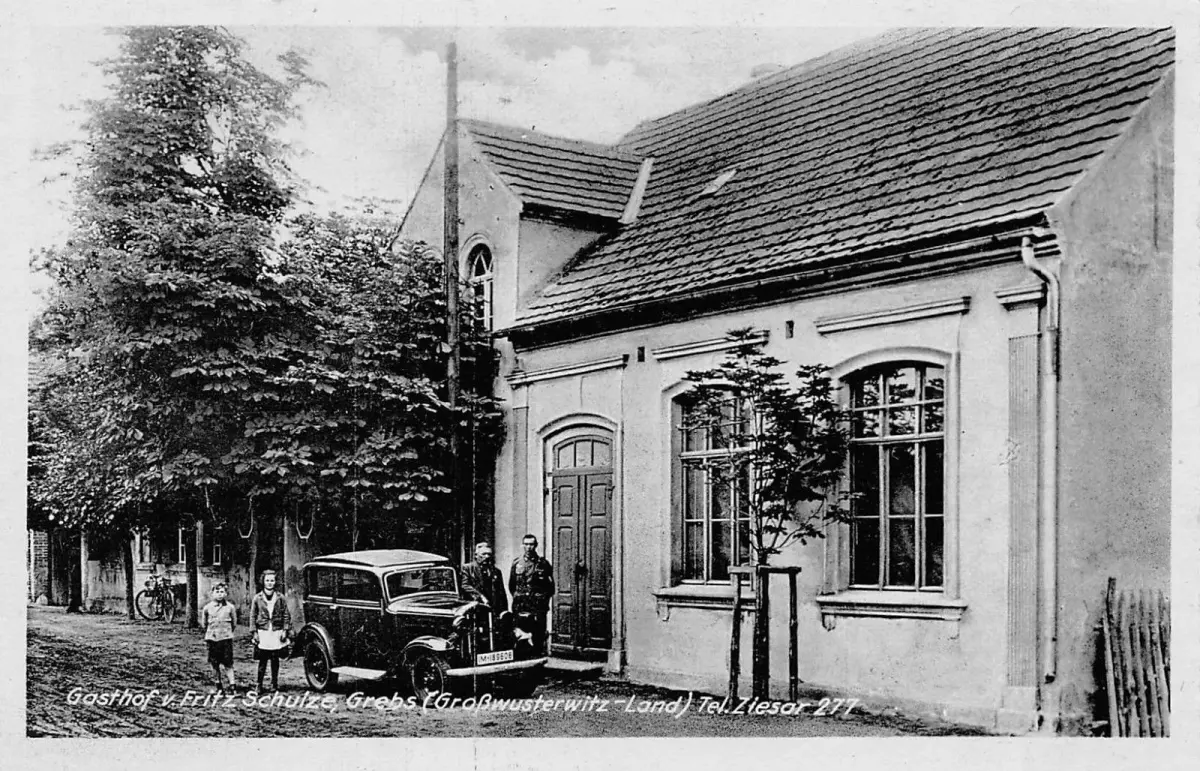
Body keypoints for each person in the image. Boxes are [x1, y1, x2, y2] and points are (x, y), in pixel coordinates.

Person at [509, 534, 554, 655]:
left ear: (536, 545)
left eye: (531, 544)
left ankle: (537, 655)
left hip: (537, 605)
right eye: (526, 544)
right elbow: (512, 585)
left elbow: (550, 587)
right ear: (522, 545)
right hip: (521, 604)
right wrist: (519, 596)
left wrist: (542, 600)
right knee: (520, 631)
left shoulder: (543, 564)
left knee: (538, 632)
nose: (528, 547)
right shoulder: (517, 563)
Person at [250, 569, 292, 693]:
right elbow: (253, 616)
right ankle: (259, 684)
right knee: (263, 659)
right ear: (263, 581)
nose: (269, 583)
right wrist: (254, 632)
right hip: (263, 631)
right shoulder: (257, 598)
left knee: (275, 659)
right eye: (267, 580)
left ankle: (274, 683)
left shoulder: (280, 597)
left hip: (276, 631)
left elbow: (286, 614)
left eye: (272, 580)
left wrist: (285, 630)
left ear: (275, 582)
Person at [200, 582, 238, 694]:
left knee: (228, 663)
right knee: (214, 663)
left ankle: (232, 685)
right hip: (212, 639)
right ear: (212, 593)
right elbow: (204, 624)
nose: (220, 594)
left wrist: (227, 632)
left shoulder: (230, 607)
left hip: (225, 639)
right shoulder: (207, 608)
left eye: (222, 592)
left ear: (225, 593)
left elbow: (234, 623)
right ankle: (218, 685)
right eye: (217, 592)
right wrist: (211, 633)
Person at [460, 542, 508, 613]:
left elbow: (502, 593)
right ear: (476, 555)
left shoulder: (496, 571)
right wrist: (480, 596)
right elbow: (465, 585)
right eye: (484, 554)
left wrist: (504, 611)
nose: (487, 556)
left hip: (493, 609)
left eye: (489, 554)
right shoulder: (468, 568)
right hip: (475, 609)